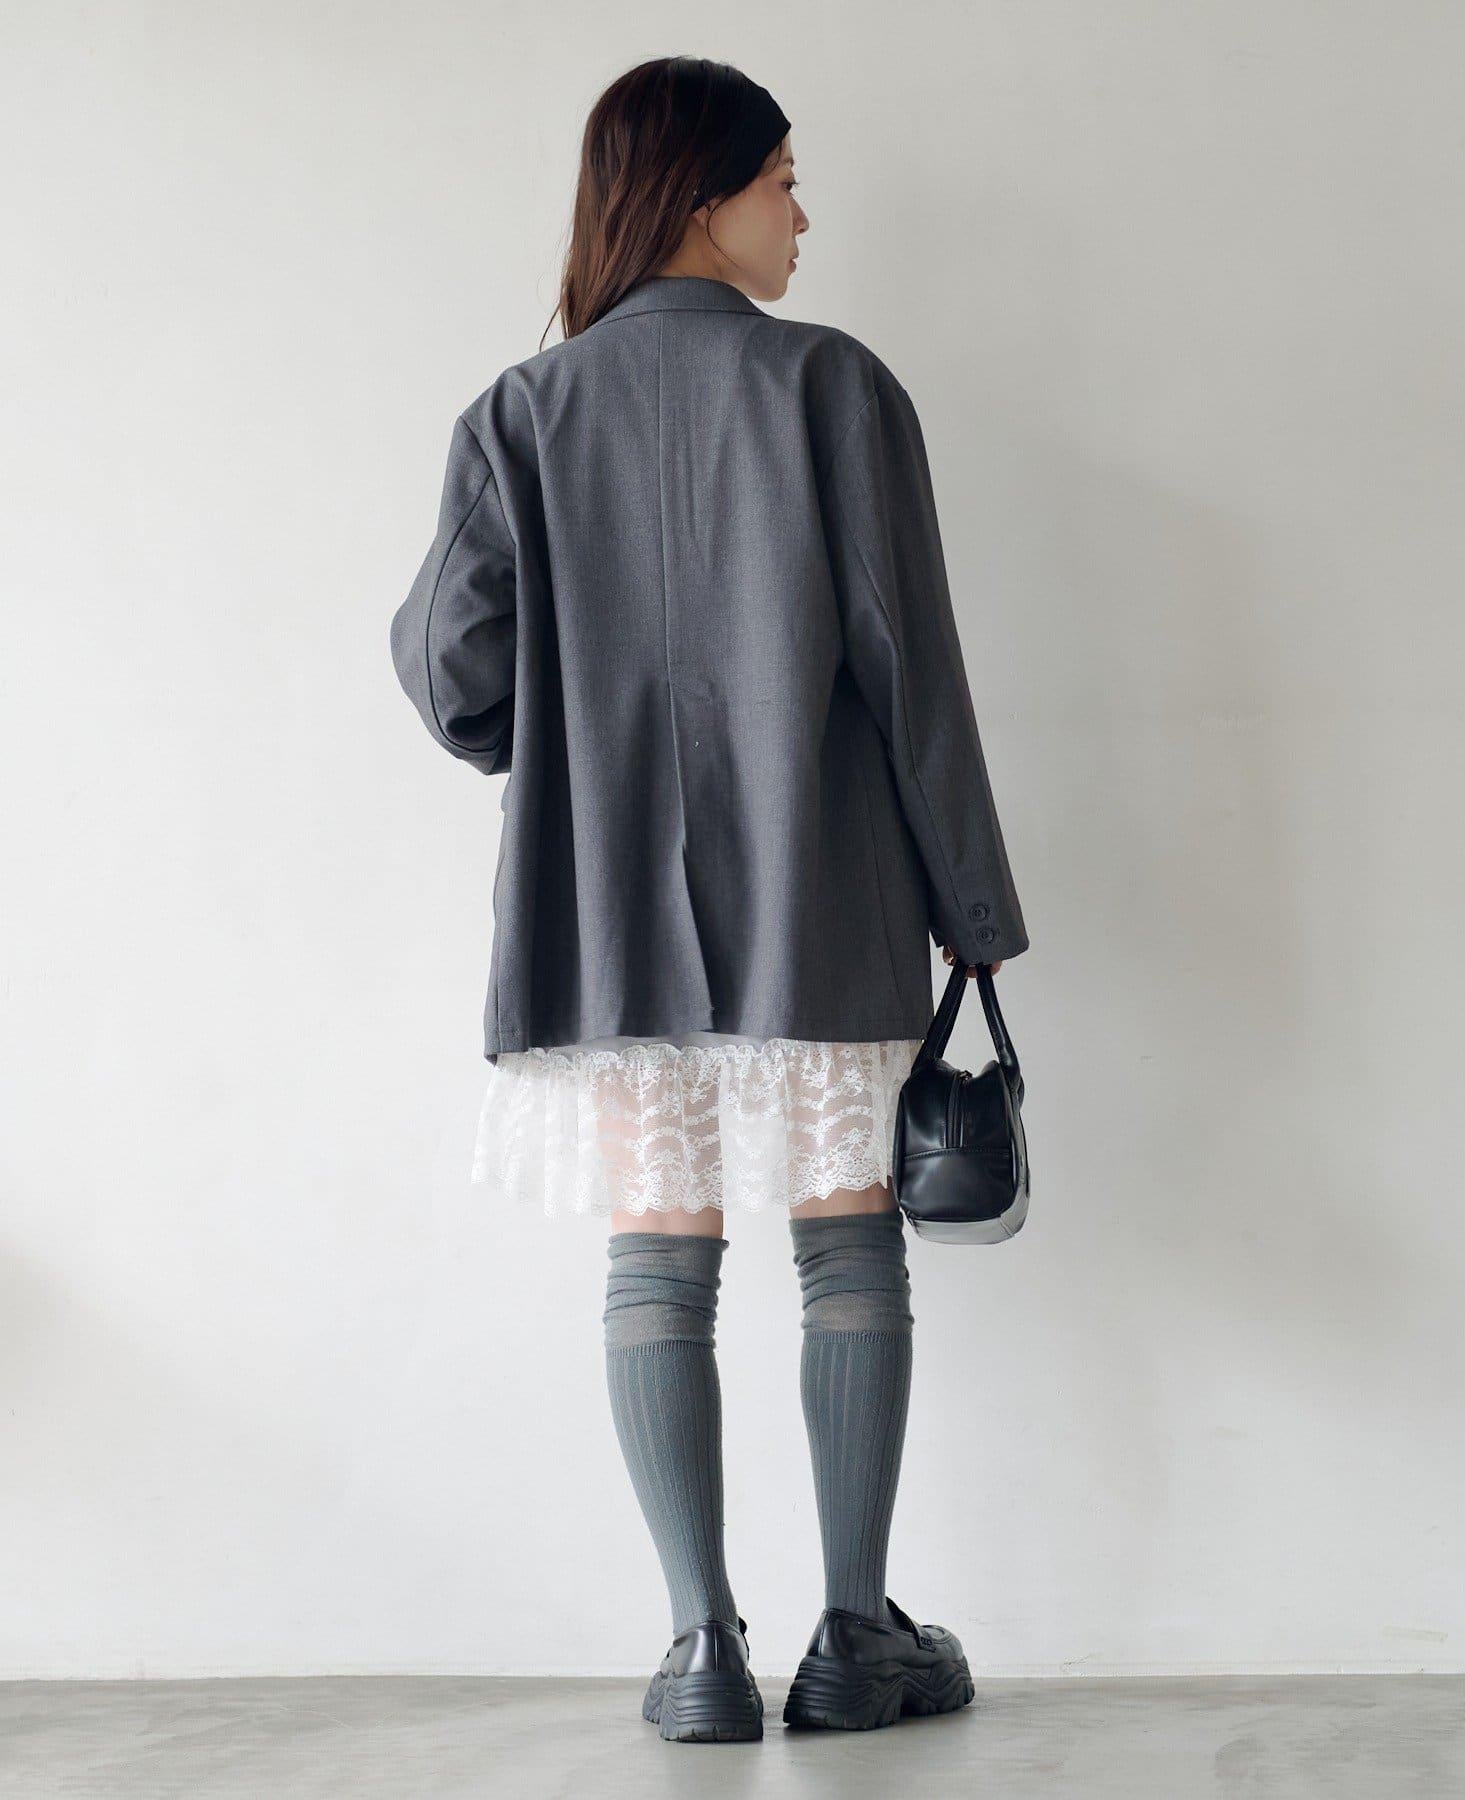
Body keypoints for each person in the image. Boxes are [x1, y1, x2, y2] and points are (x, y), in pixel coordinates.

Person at [389, 56, 1029, 1743]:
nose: (803, 213)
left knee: (659, 1259)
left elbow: (452, 674)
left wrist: (567, 747)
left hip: (608, 906)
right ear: (698, 195)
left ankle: (698, 1650)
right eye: (783, 180)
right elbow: (914, 676)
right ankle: (853, 1639)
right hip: (823, 886)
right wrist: (971, 903)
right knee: (848, 1243)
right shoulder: (834, 388)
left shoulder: (521, 417)